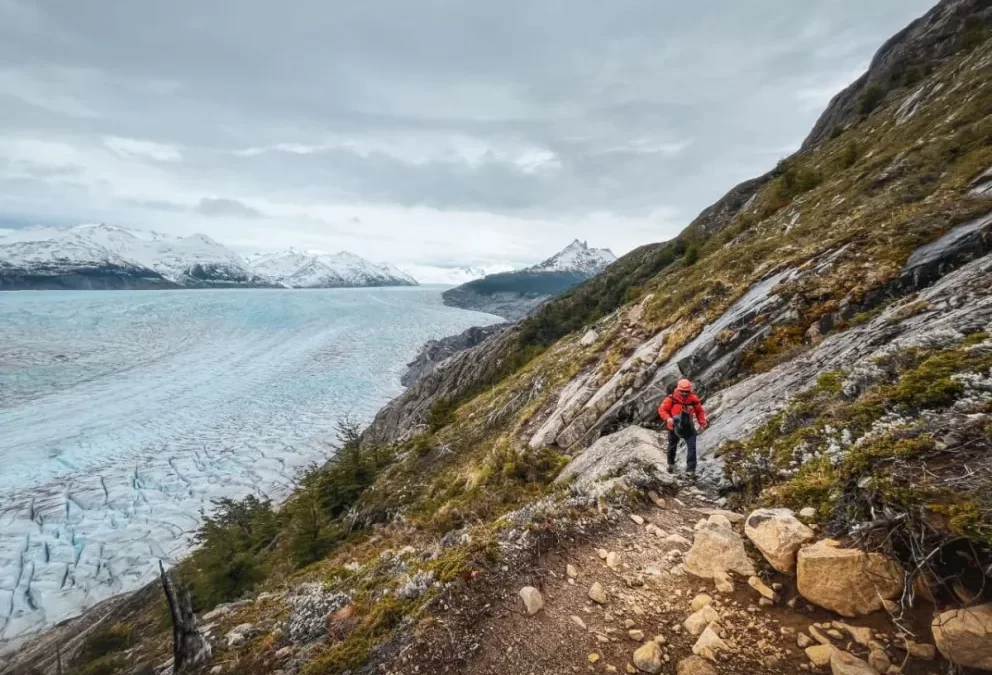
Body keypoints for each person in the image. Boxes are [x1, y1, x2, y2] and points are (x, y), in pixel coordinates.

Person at [657, 379, 707, 478]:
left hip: (688, 426)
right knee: (672, 446)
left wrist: (702, 423)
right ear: (678, 389)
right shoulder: (671, 398)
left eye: (686, 391)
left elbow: (700, 411)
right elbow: (662, 410)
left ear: (690, 390)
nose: (684, 393)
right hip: (674, 426)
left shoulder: (693, 399)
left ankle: (690, 470)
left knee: (692, 448)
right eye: (682, 391)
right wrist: (668, 419)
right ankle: (671, 464)